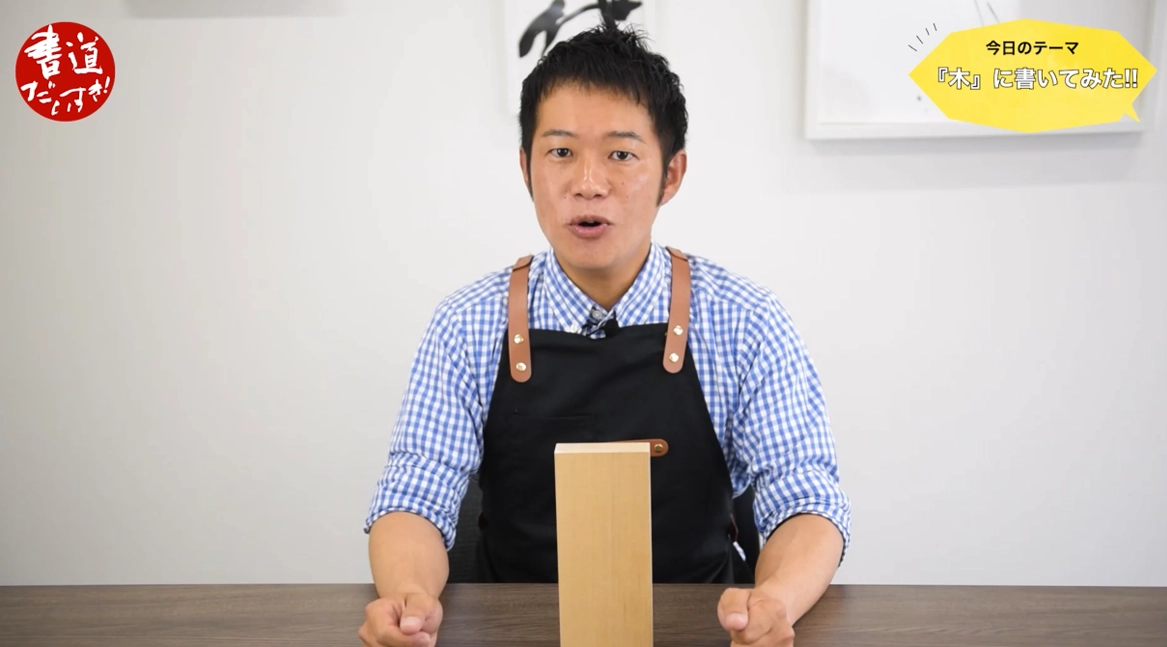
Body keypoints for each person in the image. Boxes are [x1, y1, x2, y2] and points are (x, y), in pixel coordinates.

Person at [358, 21, 851, 647]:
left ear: (671, 175)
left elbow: (806, 496)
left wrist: (773, 603)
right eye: (561, 152)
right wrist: (409, 601)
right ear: (526, 168)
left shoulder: (746, 319)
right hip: (517, 630)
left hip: (703, 627)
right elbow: (414, 495)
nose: (588, 183)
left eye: (621, 154)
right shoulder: (466, 323)